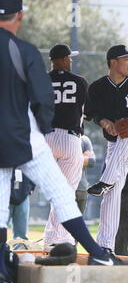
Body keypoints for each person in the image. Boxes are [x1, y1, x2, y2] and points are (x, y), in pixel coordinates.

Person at [0, 0, 128, 266]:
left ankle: (9, 264)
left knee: (3, 204)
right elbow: (78, 109)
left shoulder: (40, 72)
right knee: (63, 193)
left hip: (36, 136)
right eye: (69, 57)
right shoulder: (75, 79)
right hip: (65, 137)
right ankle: (69, 243)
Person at [85, 44, 128, 252]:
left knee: (126, 133)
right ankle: (105, 245)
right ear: (113, 62)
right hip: (116, 147)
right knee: (112, 194)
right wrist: (105, 122)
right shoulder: (97, 88)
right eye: (126, 59)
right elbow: (90, 113)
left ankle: (105, 180)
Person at [42, 43, 88, 250]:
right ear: (61, 59)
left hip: (46, 139)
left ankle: (55, 236)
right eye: (68, 58)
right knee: (67, 192)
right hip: (70, 139)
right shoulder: (79, 82)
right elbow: (85, 113)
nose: (70, 61)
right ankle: (60, 238)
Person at [8, 168, 34, 241]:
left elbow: (33, 170)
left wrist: (31, 187)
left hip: (23, 196)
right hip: (4, 196)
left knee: (21, 236)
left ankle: (20, 250)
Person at [76, 135, 96, 215]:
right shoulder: (62, 137)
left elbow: (91, 162)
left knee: (77, 224)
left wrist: (69, 159)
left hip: (81, 189)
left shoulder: (84, 140)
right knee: (60, 225)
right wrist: (83, 157)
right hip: (64, 189)